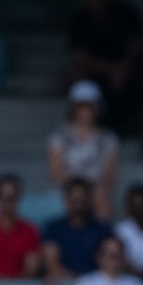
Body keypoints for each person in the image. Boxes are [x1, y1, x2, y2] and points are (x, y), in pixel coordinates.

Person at [69, 0, 143, 136]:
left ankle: (120, 128)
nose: (94, 1)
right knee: (79, 79)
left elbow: (135, 45)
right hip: (95, 68)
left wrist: (123, 67)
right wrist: (110, 69)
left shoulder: (124, 13)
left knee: (122, 80)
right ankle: (81, 129)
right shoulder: (80, 19)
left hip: (124, 67)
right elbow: (80, 56)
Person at [47, 81, 120, 223]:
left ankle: (102, 237)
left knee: (101, 197)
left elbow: (111, 176)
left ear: (97, 108)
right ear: (73, 108)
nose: (85, 111)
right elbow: (56, 173)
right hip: (67, 189)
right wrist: (78, 189)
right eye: (81, 106)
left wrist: (91, 190)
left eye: (90, 107)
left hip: (96, 191)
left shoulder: (109, 139)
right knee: (76, 198)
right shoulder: (59, 137)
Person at [42, 178, 114, 282]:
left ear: (89, 199)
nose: (78, 203)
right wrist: (79, 281)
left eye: (82, 199)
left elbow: (110, 262)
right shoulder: (54, 229)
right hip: (65, 283)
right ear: (66, 199)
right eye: (75, 200)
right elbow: (52, 265)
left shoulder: (102, 230)